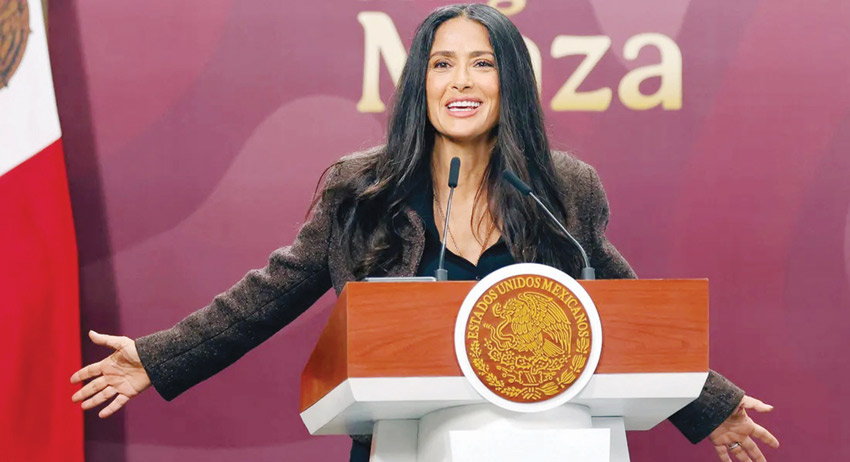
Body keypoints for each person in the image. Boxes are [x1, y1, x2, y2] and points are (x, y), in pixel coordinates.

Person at [71, 4, 779, 462]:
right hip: (400, 445)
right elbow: (270, 292)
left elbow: (621, 312)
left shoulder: (565, 187)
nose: (460, 81)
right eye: (443, 64)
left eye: (482, 63)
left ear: (511, 82)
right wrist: (159, 358)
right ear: (420, 81)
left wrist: (711, 404)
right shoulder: (362, 189)